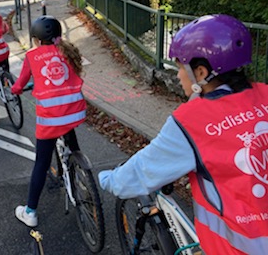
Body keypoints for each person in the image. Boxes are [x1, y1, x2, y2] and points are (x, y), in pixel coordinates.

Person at [98, 14, 268, 254]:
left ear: (201, 73)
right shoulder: (265, 94)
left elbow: (142, 171)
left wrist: (108, 180)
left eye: (180, 67)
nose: (178, 75)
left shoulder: (192, 120)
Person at [11, 15, 86, 227]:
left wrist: (15, 90)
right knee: (69, 134)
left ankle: (30, 212)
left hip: (50, 120)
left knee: (41, 163)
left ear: (36, 39)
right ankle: (81, 174)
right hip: (76, 112)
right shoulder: (69, 52)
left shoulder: (32, 56)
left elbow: (20, 84)